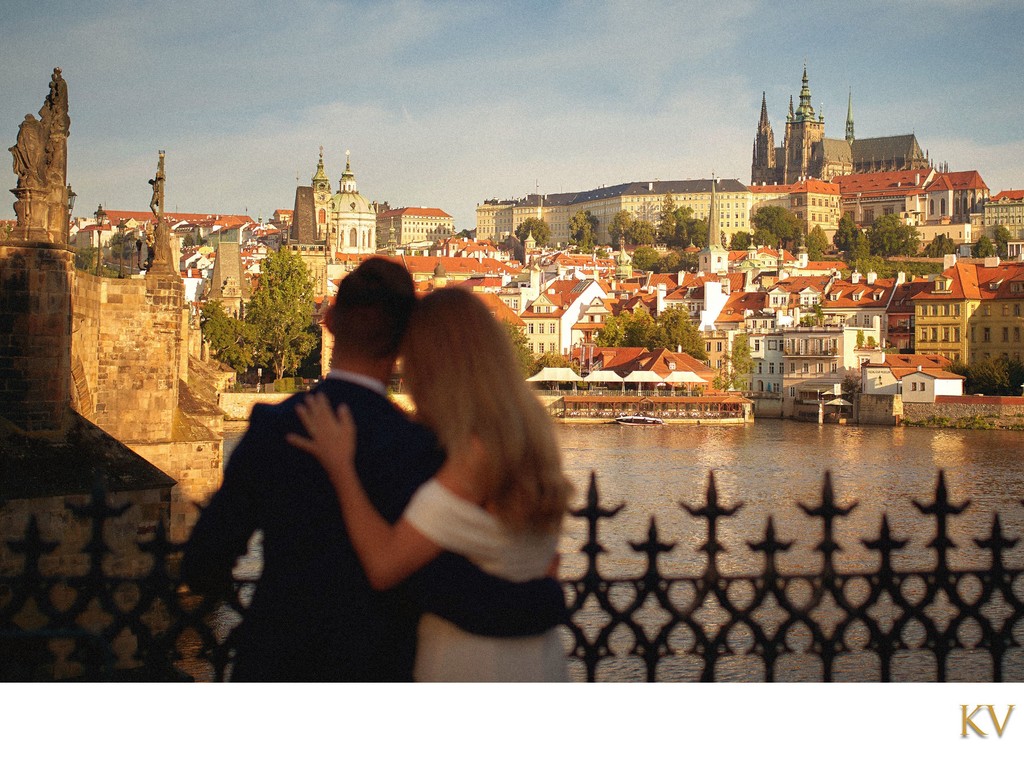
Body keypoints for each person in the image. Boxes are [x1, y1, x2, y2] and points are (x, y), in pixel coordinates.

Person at [181, 258, 566, 681]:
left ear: (328, 321)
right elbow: (444, 585)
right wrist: (545, 599)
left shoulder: (275, 427)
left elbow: (203, 562)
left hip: (276, 662)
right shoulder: (424, 446)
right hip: (380, 666)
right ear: (403, 342)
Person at [288, 287, 572, 681]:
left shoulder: (474, 457)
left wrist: (341, 467)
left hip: (472, 664)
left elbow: (385, 566)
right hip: (540, 660)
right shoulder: (533, 436)